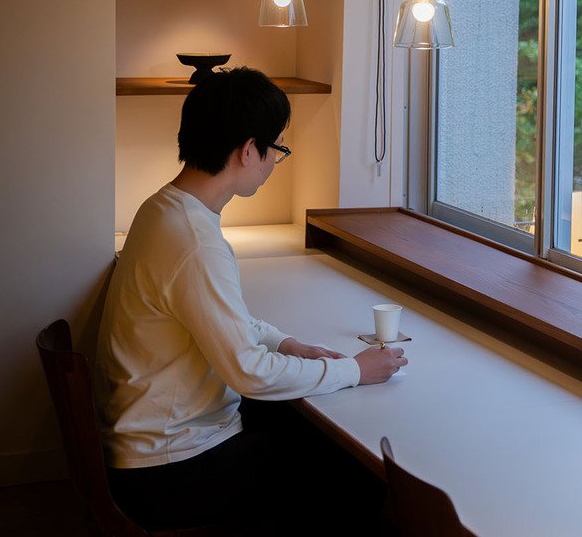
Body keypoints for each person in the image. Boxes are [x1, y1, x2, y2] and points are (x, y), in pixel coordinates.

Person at [95, 67, 405, 532]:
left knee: (306, 427)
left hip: (149, 448)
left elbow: (221, 315)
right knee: (357, 474)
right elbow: (248, 373)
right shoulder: (195, 242)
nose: (276, 160)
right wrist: (355, 370)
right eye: (277, 148)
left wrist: (285, 343)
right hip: (168, 471)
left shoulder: (162, 209)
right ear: (247, 151)